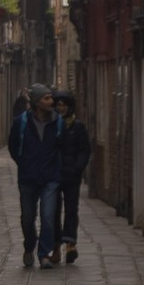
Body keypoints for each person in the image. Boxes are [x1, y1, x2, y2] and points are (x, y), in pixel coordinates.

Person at [7, 86, 60, 269]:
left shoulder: (57, 122)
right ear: (37, 102)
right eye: (46, 99)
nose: (51, 102)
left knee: (47, 217)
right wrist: (24, 163)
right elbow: (13, 147)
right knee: (27, 218)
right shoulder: (21, 122)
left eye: (51, 98)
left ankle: (44, 254)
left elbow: (63, 147)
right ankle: (29, 245)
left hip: (50, 178)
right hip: (28, 178)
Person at [53, 94, 93, 266]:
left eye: (64, 105)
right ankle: (55, 245)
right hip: (53, 175)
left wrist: (78, 167)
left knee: (71, 210)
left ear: (70, 107)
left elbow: (85, 150)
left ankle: (70, 244)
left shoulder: (78, 127)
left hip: (71, 175)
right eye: (58, 105)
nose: (61, 108)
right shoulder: (51, 125)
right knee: (52, 211)